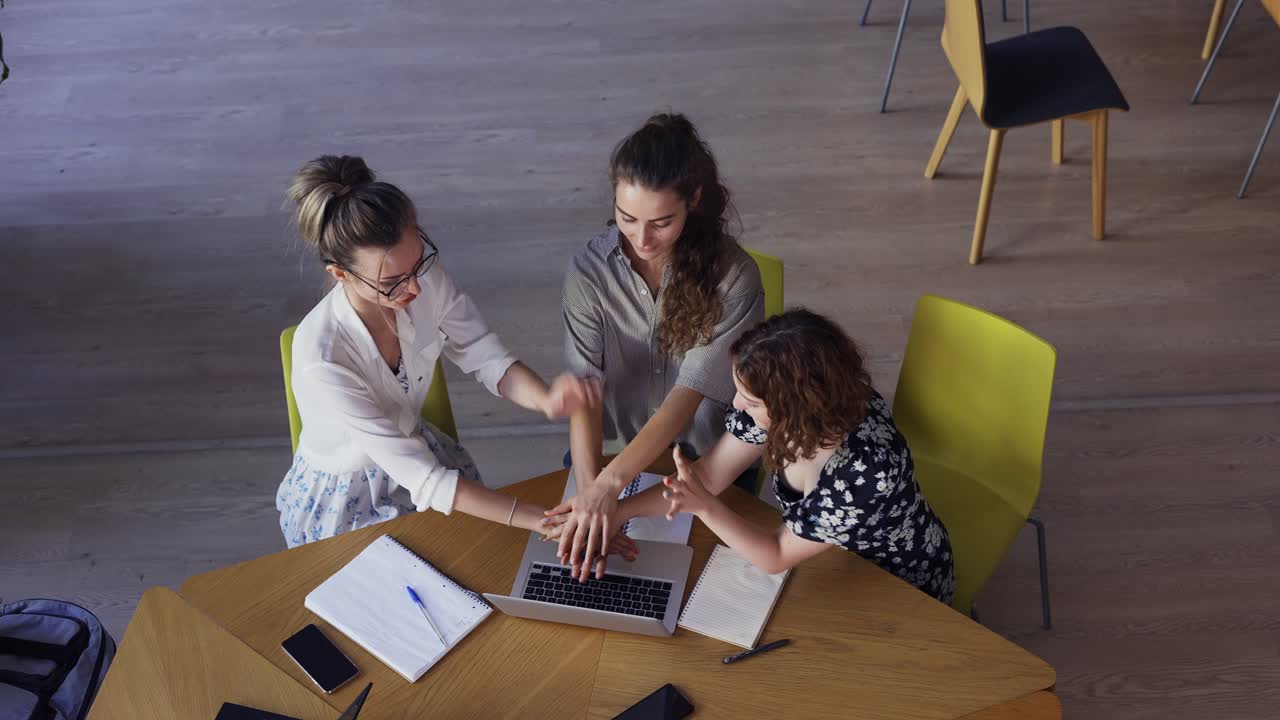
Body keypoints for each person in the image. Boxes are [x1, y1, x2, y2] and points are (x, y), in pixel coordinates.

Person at [275, 154, 621, 551]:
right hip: (346, 498)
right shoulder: (322, 356)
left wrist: (545, 399)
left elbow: (481, 352)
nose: (416, 289)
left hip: (417, 454)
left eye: (419, 262)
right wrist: (543, 521)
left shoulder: (419, 278)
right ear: (340, 274)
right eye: (392, 282)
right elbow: (424, 477)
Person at [549, 113, 765, 581]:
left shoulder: (735, 278)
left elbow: (688, 396)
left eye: (662, 222)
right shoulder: (588, 273)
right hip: (606, 454)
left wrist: (609, 489)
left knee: (699, 584)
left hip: (706, 461)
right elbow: (584, 389)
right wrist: (592, 501)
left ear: (694, 201)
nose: (642, 239)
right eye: (627, 219)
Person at [613, 309, 955, 602]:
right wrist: (615, 513)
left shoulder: (865, 473)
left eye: (752, 401)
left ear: (796, 405)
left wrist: (703, 506)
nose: (736, 405)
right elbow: (708, 475)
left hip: (895, 583)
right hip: (826, 553)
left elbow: (775, 554)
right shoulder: (812, 406)